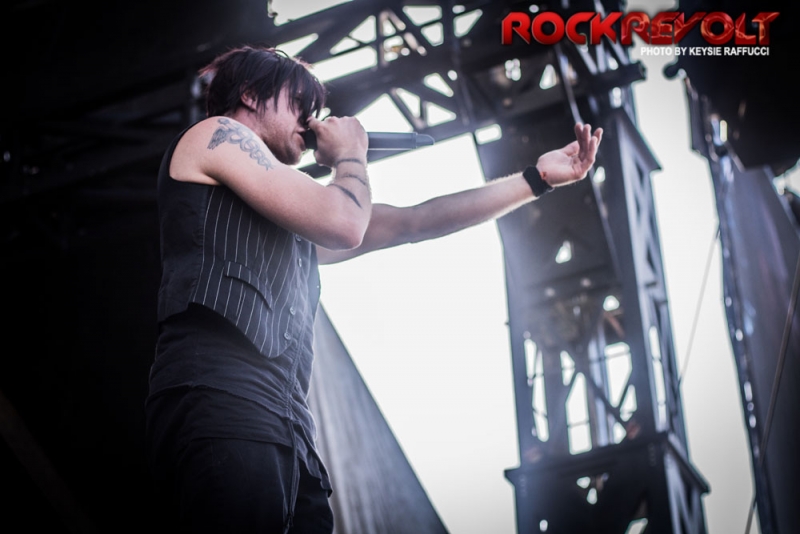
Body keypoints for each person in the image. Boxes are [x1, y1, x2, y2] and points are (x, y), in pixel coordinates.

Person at [145, 45, 602, 534]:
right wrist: (350, 157)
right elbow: (346, 223)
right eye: (298, 103)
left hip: (287, 425)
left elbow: (414, 222)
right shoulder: (217, 135)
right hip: (223, 396)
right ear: (252, 96)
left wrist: (535, 180)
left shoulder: (290, 207)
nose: (310, 119)